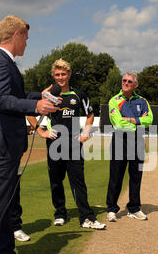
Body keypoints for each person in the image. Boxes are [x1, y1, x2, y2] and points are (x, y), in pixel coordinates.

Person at [0, 15, 59, 254]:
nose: (27, 43)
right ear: (17, 35)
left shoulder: (4, 62)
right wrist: (35, 107)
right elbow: (1, 100)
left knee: (6, 203)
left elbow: (16, 96)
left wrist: (40, 96)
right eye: (26, 37)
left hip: (8, 142)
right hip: (1, 143)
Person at [28, 59, 106, 230]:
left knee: (78, 181)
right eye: (57, 74)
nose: (60, 77)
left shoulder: (78, 94)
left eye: (63, 74)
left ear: (69, 74)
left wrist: (85, 134)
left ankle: (86, 217)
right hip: (54, 143)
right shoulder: (47, 95)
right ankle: (60, 213)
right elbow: (29, 113)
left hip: (74, 144)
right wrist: (41, 132)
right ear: (53, 76)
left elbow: (90, 115)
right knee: (56, 181)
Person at [105, 71, 153, 222]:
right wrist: (138, 122)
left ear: (136, 85)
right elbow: (118, 124)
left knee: (136, 177)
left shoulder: (142, 101)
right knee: (116, 177)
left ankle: (134, 208)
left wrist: (131, 119)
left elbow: (150, 120)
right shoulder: (114, 100)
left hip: (137, 141)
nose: (125, 83)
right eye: (124, 80)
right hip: (120, 140)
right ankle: (112, 209)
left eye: (129, 81)